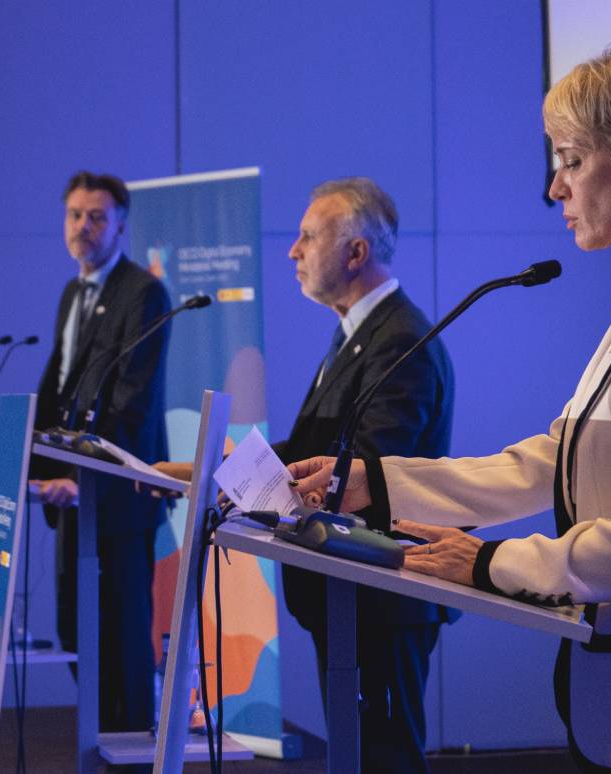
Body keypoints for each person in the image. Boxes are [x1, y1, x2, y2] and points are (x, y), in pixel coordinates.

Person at [288, 42, 611, 773]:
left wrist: (494, 563)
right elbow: (558, 458)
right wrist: (376, 486)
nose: (554, 188)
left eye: (571, 159)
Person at [159, 177, 455, 773]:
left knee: (386, 758)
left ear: (355, 253)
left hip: (381, 595)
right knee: (357, 753)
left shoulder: (402, 342)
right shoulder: (355, 334)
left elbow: (363, 474)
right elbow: (314, 449)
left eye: (307, 237)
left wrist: (228, 475)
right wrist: (204, 468)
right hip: (345, 589)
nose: (292, 251)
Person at [30, 170, 171, 733]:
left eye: (96, 217)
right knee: (75, 630)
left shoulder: (143, 293)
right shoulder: (73, 292)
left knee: (122, 641)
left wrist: (81, 476)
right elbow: (62, 392)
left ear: (120, 226)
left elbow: (129, 405)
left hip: (117, 496)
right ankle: (100, 741)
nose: (82, 227)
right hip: (71, 495)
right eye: (74, 215)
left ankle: (130, 753)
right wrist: (23, 472)